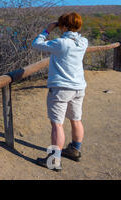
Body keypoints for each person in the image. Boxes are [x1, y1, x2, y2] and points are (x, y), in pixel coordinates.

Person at [31, 12, 88, 171]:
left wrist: (47, 30)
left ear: (63, 26)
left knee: (57, 124)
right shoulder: (83, 41)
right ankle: (75, 150)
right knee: (76, 120)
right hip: (78, 88)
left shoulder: (61, 43)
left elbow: (36, 44)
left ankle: (54, 160)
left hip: (61, 89)